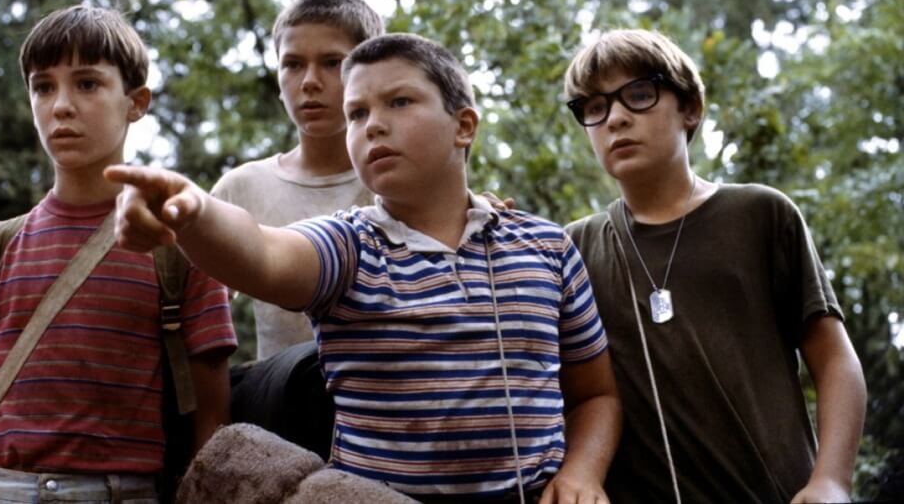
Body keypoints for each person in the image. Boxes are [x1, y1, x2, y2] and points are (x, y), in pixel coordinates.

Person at [106, 32, 622, 503]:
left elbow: (596, 394)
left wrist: (583, 472)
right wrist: (193, 212)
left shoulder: (547, 247)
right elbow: (262, 254)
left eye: (399, 102)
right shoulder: (349, 246)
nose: (372, 124)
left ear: (463, 126)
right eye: (356, 113)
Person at [0, 5, 236, 502]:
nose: (61, 106)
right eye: (43, 87)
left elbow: (212, 420)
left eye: (87, 84)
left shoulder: (179, 246)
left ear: (136, 103)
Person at [562, 28, 866, 503]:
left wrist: (831, 480)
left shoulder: (760, 214)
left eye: (638, 95)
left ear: (690, 108)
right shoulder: (569, 249)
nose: (615, 118)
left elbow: (834, 360)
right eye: (595, 107)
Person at [211, 0, 382, 360]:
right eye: (292, 64)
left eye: (332, 62)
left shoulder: (399, 182)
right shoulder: (241, 188)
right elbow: (199, 313)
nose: (309, 81)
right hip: (282, 393)